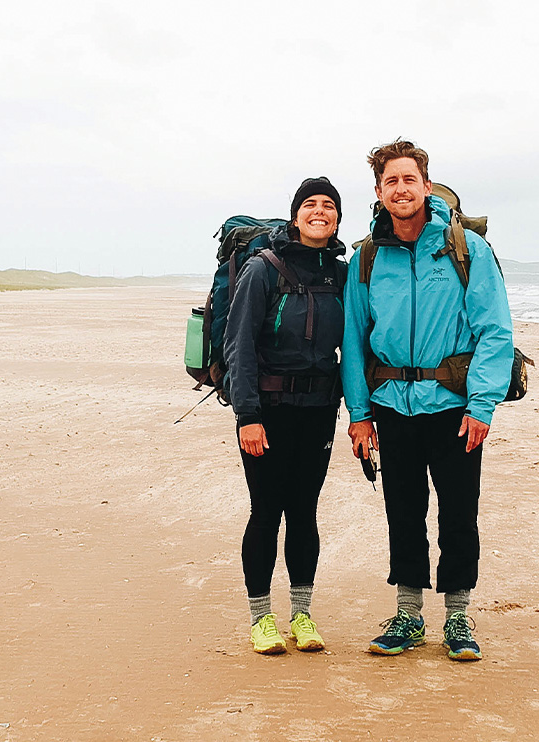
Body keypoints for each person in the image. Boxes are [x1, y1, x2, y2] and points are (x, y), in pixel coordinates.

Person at [341, 140, 514, 661]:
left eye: (408, 179)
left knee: (459, 511)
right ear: (379, 191)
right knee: (404, 510)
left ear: (425, 184)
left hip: (455, 406)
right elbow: (353, 337)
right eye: (390, 181)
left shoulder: (464, 248)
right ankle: (409, 614)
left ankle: (458, 615)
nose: (401, 189)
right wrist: (359, 413)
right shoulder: (368, 256)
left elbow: (495, 331)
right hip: (392, 405)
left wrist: (482, 405)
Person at [224, 177, 346, 655]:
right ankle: (261, 620)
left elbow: (350, 347)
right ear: (295, 216)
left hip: (319, 412)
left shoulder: (340, 273)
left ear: (337, 218)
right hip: (267, 412)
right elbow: (239, 346)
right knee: (265, 511)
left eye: (329, 206)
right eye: (311, 205)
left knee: (304, 512)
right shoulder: (263, 269)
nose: (320, 211)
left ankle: (301, 615)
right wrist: (246, 415)